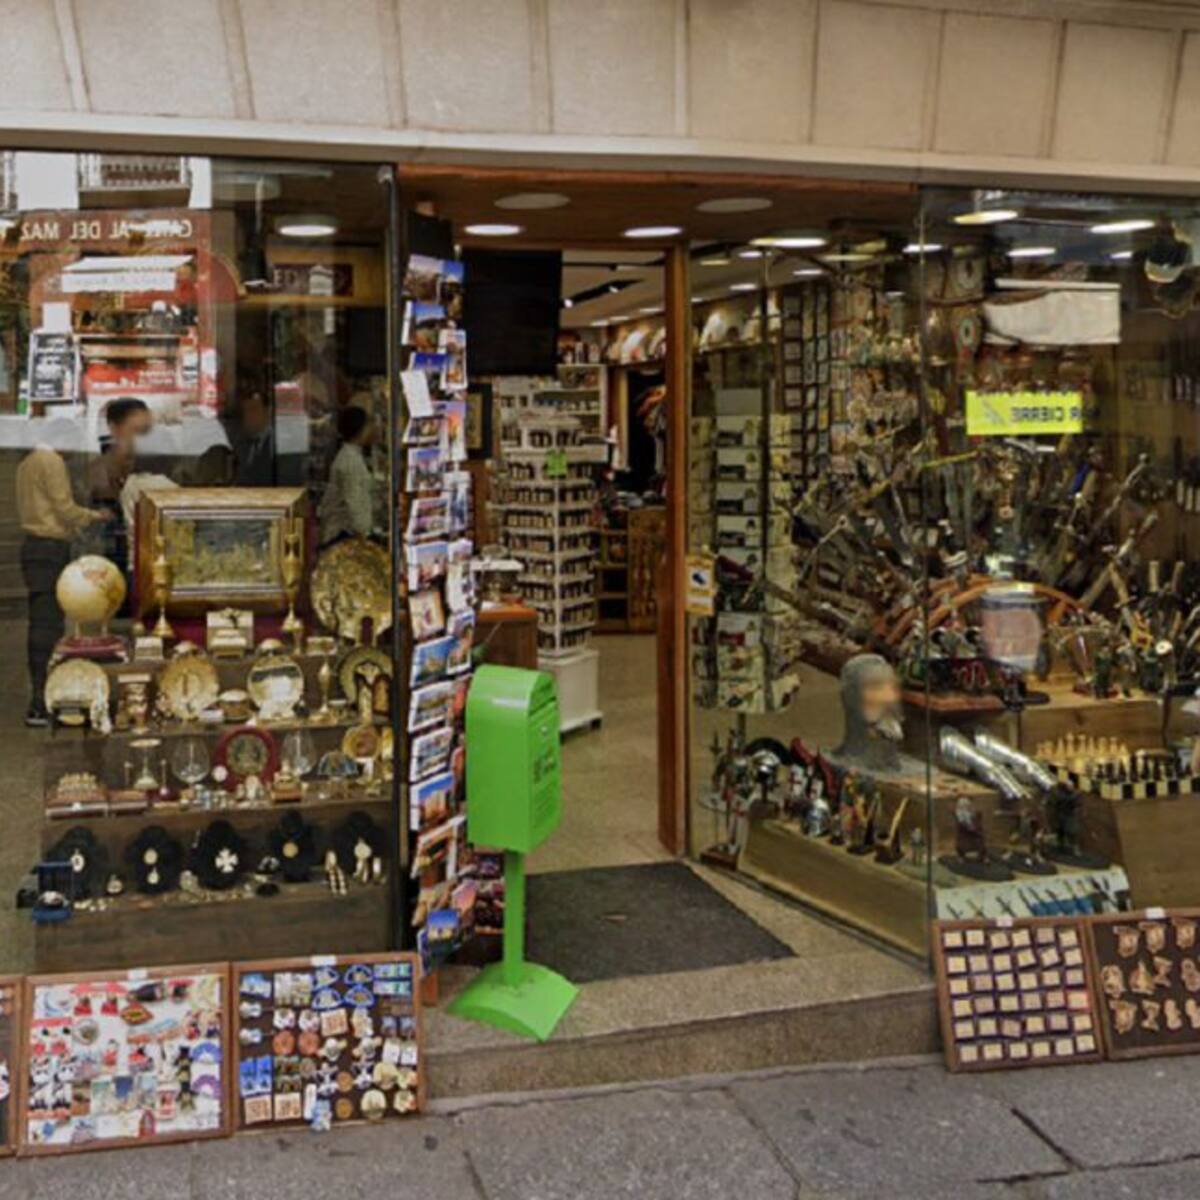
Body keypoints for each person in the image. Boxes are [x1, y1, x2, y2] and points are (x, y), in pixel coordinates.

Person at [16, 428, 107, 725]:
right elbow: (64, 508)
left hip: (33, 547)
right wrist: (95, 517)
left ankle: (44, 695)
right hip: (48, 548)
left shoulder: (26, 463)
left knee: (43, 622)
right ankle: (41, 700)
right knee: (47, 626)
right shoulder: (50, 461)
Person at [88, 397, 152, 567]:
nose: (146, 438)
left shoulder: (155, 465)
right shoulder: (99, 470)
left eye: (147, 431)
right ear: (114, 429)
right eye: (137, 430)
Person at [318, 406, 377, 546]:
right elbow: (355, 503)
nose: (374, 428)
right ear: (361, 430)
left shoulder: (351, 456)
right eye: (370, 424)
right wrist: (367, 535)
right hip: (341, 535)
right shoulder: (350, 462)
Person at [232, 386, 275, 486]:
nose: (248, 416)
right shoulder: (241, 443)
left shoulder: (277, 443)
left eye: (253, 409)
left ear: (267, 411)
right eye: (245, 411)